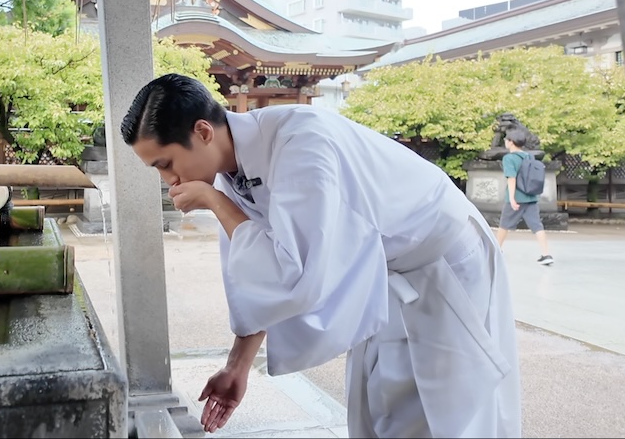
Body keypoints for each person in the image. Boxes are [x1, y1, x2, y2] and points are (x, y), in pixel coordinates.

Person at [120, 74, 521, 438]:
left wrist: (214, 201)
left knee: (444, 414)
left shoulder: (300, 142)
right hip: (386, 272)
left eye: (166, 164)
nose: (168, 180)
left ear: (203, 131)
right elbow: (255, 270)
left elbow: (295, 275)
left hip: (444, 265)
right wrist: (237, 365)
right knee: (378, 408)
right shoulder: (231, 169)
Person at [495, 130, 553, 265]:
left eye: (506, 140)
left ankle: (496, 250)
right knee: (537, 226)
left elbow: (511, 178)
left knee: (504, 225)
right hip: (531, 197)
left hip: (516, 197)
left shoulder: (509, 158)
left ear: (511, 142)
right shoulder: (528, 157)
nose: (505, 142)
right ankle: (546, 254)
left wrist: (512, 198)